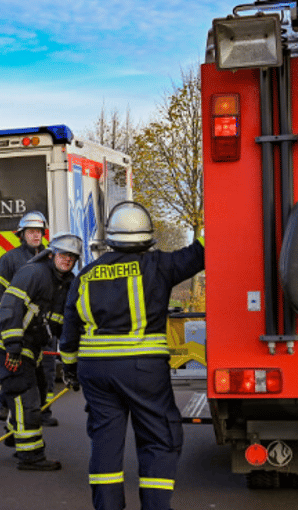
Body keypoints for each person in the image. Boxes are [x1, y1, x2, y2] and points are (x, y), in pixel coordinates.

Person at [60, 201, 204, 510]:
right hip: (143, 370)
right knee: (158, 439)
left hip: (95, 373)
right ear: (148, 237)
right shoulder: (160, 265)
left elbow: (70, 331)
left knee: (105, 444)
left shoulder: (85, 275)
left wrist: (70, 369)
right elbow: (201, 253)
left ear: (110, 238)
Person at [0, 232, 82, 471]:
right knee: (24, 394)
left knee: (40, 393)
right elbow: (10, 308)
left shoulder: (67, 284)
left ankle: (14, 434)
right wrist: (13, 346)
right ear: (52, 254)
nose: (67, 260)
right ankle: (30, 455)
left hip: (30, 345)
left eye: (72, 257)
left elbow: (64, 323)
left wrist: (73, 364)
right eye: (63, 254)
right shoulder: (34, 273)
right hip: (9, 343)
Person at [0, 210, 58, 426]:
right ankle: (5, 402)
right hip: (17, 329)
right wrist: (7, 321)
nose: (36, 236)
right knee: (16, 372)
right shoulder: (9, 259)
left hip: (40, 328)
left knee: (46, 371)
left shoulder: (50, 258)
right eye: (31, 232)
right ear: (22, 234)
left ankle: (43, 411)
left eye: (39, 232)